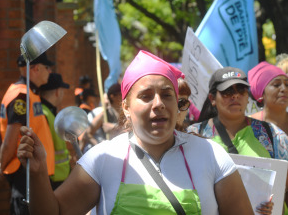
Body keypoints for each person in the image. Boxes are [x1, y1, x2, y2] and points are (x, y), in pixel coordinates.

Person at [17, 50, 253, 214]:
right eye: (146, 96)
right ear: (126, 107)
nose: (158, 103)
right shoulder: (102, 158)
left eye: (166, 95)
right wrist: (37, 173)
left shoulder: (211, 154)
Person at [187, 66, 288, 214]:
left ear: (247, 96)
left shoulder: (273, 135)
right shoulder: (194, 135)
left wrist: (275, 204)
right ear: (212, 99)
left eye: (241, 90)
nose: (235, 96)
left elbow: (283, 188)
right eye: (227, 92)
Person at [0, 53, 55, 215]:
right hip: (25, 173)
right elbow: (10, 141)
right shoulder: (21, 96)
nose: (50, 72)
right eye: (47, 67)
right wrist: (2, 168)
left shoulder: (29, 93)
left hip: (32, 172)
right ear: (35, 68)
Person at [40, 73, 71, 189]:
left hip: (57, 177)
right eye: (62, 91)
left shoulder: (47, 112)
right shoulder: (44, 114)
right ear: (58, 91)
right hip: (51, 180)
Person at [248, 61, 288, 134]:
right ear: (261, 94)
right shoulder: (248, 126)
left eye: (287, 84)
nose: (284, 89)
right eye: (276, 85)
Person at [81, 83, 123, 153]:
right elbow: (87, 134)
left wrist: (114, 127)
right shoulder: (104, 115)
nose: (123, 96)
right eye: (121, 94)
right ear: (113, 96)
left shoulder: (125, 114)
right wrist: (100, 148)